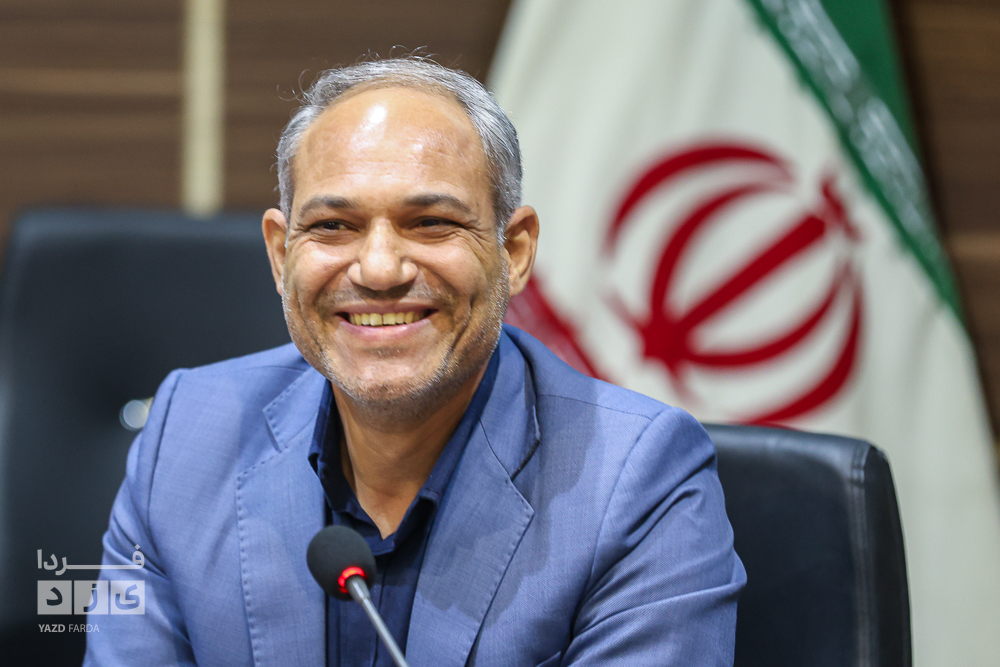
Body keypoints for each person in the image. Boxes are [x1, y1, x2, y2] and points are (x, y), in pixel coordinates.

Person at [84, 58, 745, 666]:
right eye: (333, 226)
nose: (378, 269)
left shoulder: (638, 481)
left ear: (514, 251)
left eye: (430, 222)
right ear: (282, 256)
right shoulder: (184, 434)